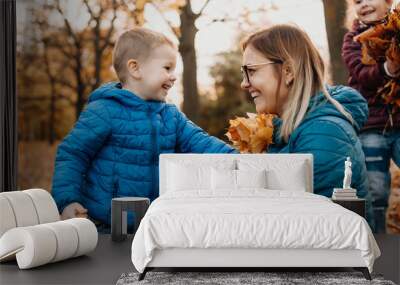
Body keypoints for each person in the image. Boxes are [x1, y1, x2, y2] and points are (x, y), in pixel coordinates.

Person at [52, 27, 236, 229]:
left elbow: (202, 143)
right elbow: (73, 154)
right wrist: (68, 200)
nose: (174, 76)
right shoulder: (104, 110)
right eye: (167, 68)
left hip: (154, 224)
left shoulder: (171, 116)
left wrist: (240, 157)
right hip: (106, 224)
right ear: (135, 69)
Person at [240, 24, 375, 229]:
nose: (244, 83)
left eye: (251, 71)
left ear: (288, 71)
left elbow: (315, 228)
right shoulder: (294, 130)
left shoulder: (323, 134)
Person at [342, 0, 400, 232]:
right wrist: (388, 68)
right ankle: (376, 241)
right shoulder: (353, 39)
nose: (363, 3)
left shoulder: (397, 32)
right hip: (371, 128)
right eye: (357, 1)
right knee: (375, 190)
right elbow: (362, 73)